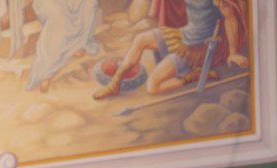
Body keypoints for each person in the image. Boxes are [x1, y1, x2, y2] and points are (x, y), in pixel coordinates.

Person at [94, 0, 248, 100]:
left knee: (153, 87)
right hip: (182, 35)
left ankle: (191, 76)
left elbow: (230, 18)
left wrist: (233, 53)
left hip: (197, 49)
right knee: (140, 39)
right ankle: (115, 84)